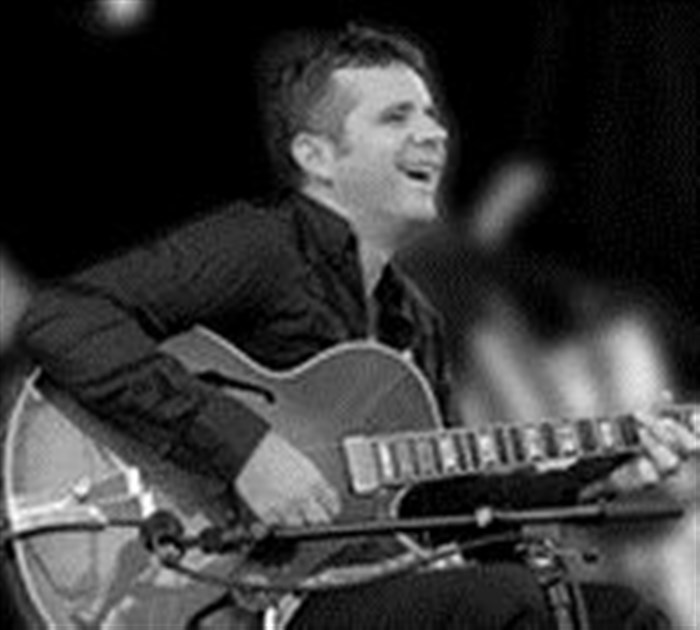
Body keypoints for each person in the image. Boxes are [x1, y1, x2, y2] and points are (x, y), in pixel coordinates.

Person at [18, 23, 696, 629]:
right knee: (510, 602)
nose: (434, 133)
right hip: (242, 594)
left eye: (431, 114)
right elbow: (64, 318)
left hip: (363, 586)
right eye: (397, 117)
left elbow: (442, 501)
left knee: (626, 615)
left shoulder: (415, 322)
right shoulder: (264, 246)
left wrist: (596, 478)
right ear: (316, 156)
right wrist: (246, 450)